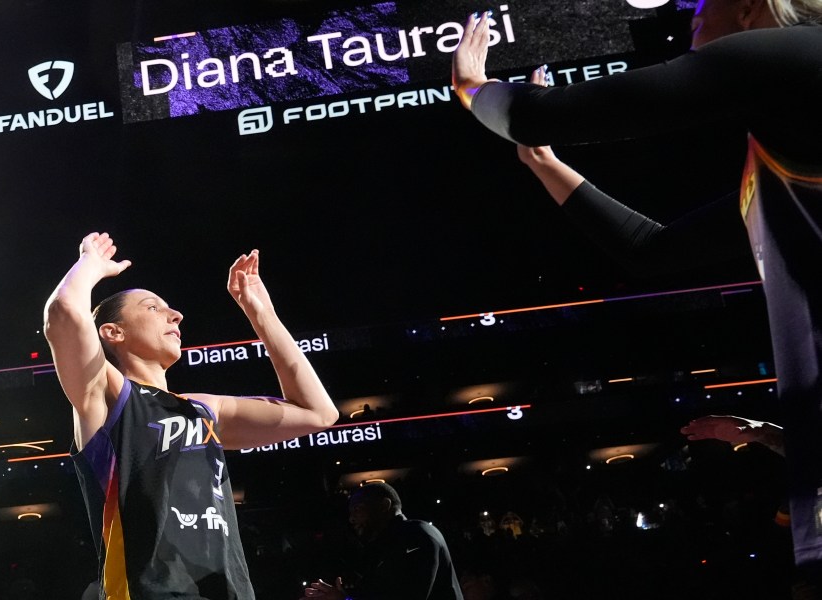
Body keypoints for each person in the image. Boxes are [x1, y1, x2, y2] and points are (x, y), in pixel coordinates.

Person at [452, 0, 822, 578]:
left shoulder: (802, 52)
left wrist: (476, 90)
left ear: (752, 7)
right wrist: (543, 161)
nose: (690, 15)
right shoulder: (780, 165)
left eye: (702, 5)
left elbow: (541, 113)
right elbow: (652, 251)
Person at [43, 232, 340, 600]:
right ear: (113, 332)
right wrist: (90, 263)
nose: (176, 315)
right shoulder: (107, 396)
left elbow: (318, 413)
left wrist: (261, 313)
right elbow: (64, 313)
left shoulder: (202, 408)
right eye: (153, 308)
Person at [301, 482, 463, 600]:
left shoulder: (416, 534)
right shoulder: (381, 549)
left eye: (357, 509)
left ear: (385, 505)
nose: (351, 519)